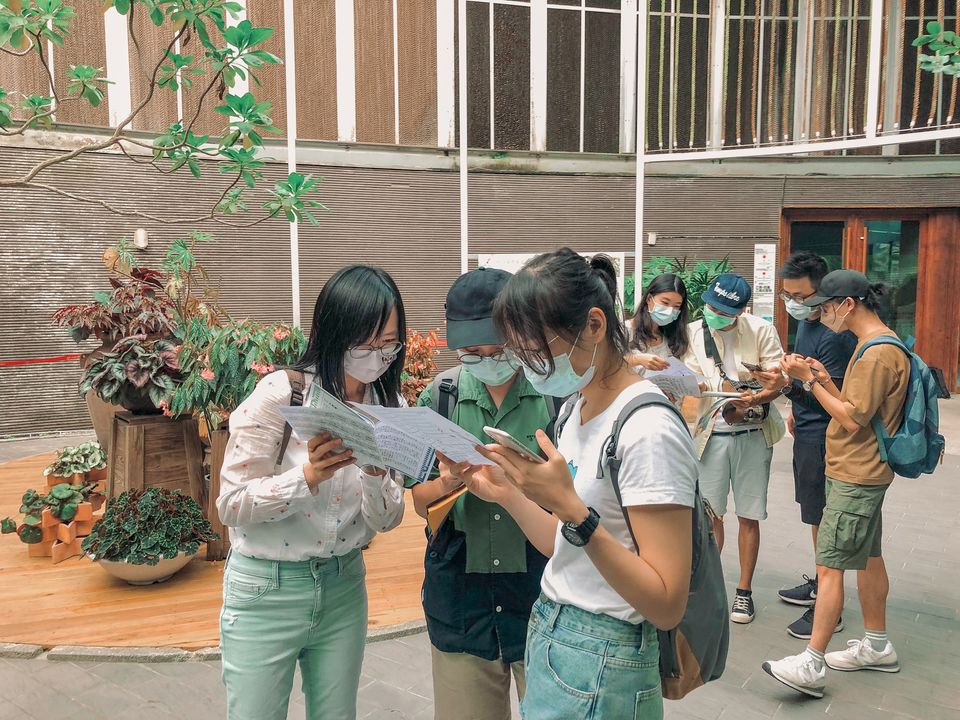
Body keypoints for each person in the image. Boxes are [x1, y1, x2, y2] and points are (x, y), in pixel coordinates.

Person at [454, 248, 699, 719]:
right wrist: (506, 492)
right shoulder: (575, 409)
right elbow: (562, 547)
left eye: (538, 351)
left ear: (594, 324)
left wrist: (573, 512)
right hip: (552, 627)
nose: (529, 366)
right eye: (520, 353)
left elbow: (667, 603)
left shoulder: (648, 429)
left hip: (607, 652)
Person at [216, 265, 408, 720]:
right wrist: (307, 477)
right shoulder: (280, 395)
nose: (378, 355)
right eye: (366, 342)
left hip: (344, 586)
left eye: (390, 343)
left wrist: (378, 474)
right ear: (334, 333)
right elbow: (230, 505)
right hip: (267, 589)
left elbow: (387, 520)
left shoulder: (391, 408)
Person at [408, 268, 552, 720]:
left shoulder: (555, 398)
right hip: (461, 595)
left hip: (541, 588)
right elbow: (419, 501)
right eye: (473, 352)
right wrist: (450, 479)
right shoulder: (441, 396)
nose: (490, 360)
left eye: (501, 349)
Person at [763, 270, 909, 698]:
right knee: (869, 558)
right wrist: (823, 378)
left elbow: (850, 417)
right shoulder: (878, 345)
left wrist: (806, 381)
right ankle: (877, 645)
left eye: (824, 308)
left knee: (829, 567)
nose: (821, 316)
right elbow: (855, 404)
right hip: (866, 470)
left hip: (855, 474)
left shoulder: (877, 353)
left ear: (848, 304)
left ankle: (812, 662)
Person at [758, 252, 856, 639]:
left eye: (800, 296)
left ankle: (830, 607)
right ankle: (821, 581)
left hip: (827, 439)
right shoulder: (808, 325)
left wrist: (789, 388)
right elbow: (808, 384)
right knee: (814, 517)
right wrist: (792, 392)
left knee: (824, 521)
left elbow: (833, 397)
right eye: (786, 295)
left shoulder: (838, 334)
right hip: (808, 431)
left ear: (824, 292)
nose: (793, 303)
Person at [683, 273, 786, 624]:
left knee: (749, 514)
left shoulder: (760, 331)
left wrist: (756, 396)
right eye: (710, 307)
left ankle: (744, 592)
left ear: (741, 311)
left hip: (753, 434)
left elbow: (780, 381)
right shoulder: (693, 332)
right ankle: (708, 586)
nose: (714, 314)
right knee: (711, 515)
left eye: (724, 311)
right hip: (710, 434)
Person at [626, 273, 692, 374]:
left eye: (676, 306)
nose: (670, 310)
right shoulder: (624, 330)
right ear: (649, 299)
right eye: (665, 303)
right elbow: (606, 363)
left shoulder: (672, 338)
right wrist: (637, 359)